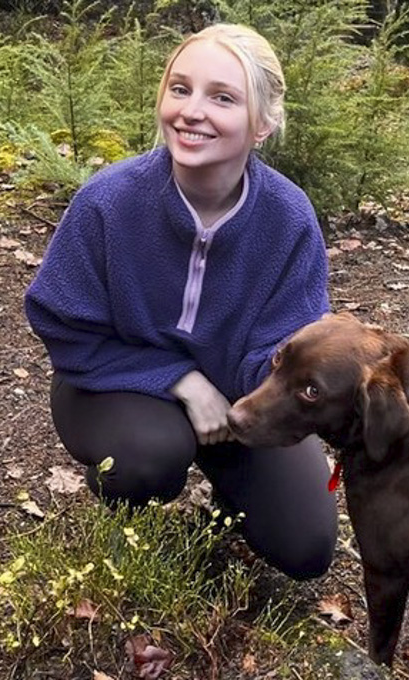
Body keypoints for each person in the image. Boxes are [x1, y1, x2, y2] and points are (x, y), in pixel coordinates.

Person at [24, 23, 338, 580]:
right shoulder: (108, 203)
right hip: (111, 386)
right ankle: (126, 520)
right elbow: (65, 326)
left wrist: (257, 400)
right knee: (146, 457)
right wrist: (182, 381)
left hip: (240, 403)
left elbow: (287, 349)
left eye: (223, 98)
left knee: (307, 545)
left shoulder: (288, 219)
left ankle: (227, 501)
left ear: (263, 123)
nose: (192, 111)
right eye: (180, 89)